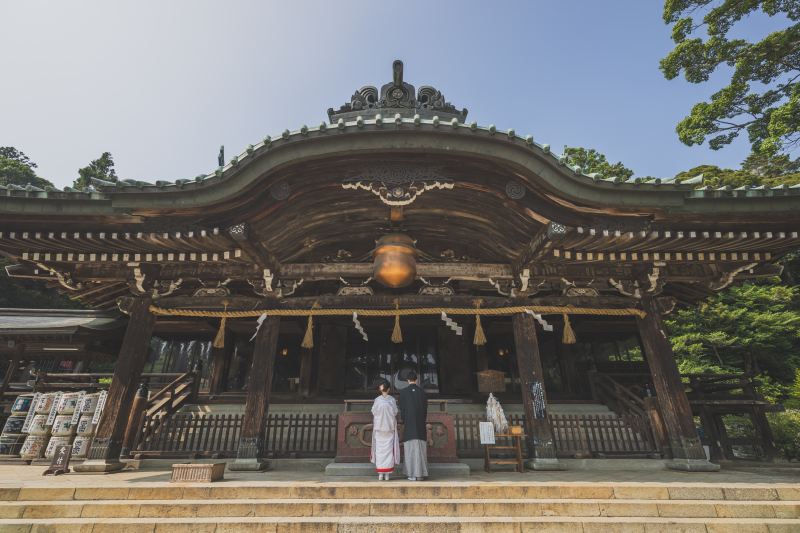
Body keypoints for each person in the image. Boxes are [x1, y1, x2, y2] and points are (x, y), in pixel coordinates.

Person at [398, 371, 428, 481]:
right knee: (420, 450)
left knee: (410, 450)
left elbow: (401, 407)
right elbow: (425, 409)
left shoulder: (404, 393)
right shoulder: (422, 392)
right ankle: (420, 474)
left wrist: (406, 419)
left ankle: (411, 475)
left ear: (408, 381)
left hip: (409, 425)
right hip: (420, 425)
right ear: (416, 380)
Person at [370, 380, 399, 481]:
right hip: (389, 429)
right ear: (389, 389)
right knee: (388, 451)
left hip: (379, 429)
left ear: (380, 389)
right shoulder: (392, 400)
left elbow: (373, 411)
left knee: (380, 451)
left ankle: (380, 474)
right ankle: (387, 475)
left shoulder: (377, 400)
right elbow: (395, 412)